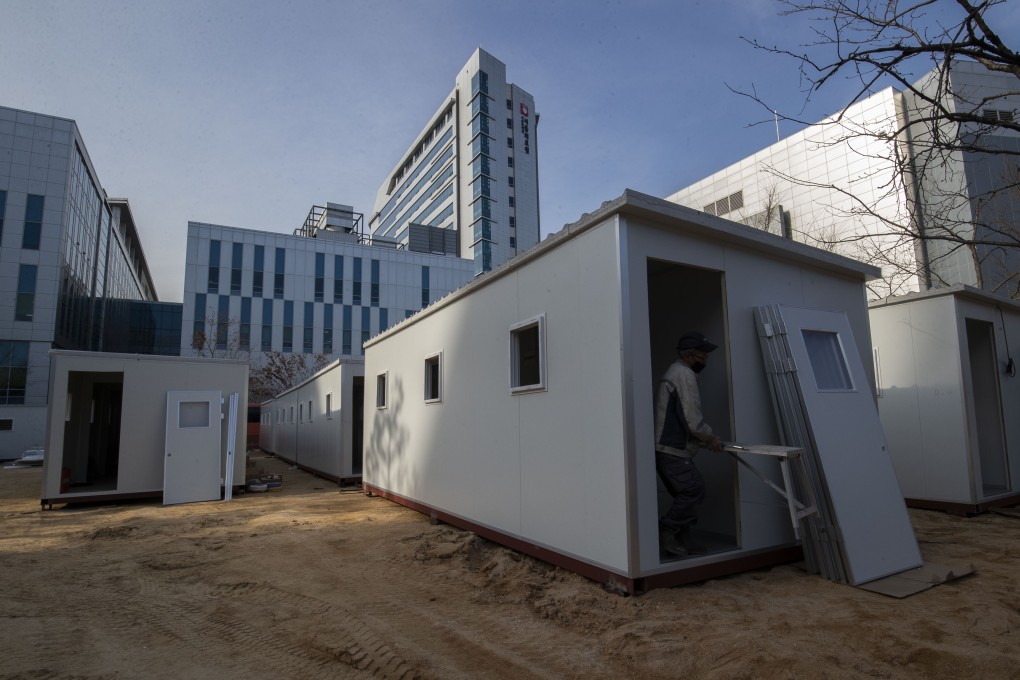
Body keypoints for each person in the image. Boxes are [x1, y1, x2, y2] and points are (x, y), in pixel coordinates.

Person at [653, 331, 724, 558]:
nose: (706, 358)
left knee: (687, 491)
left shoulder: (676, 372)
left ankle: (683, 537)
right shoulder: (684, 374)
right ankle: (667, 531)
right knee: (693, 489)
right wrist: (710, 437)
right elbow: (692, 418)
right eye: (703, 353)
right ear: (691, 355)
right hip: (671, 448)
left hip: (669, 447)